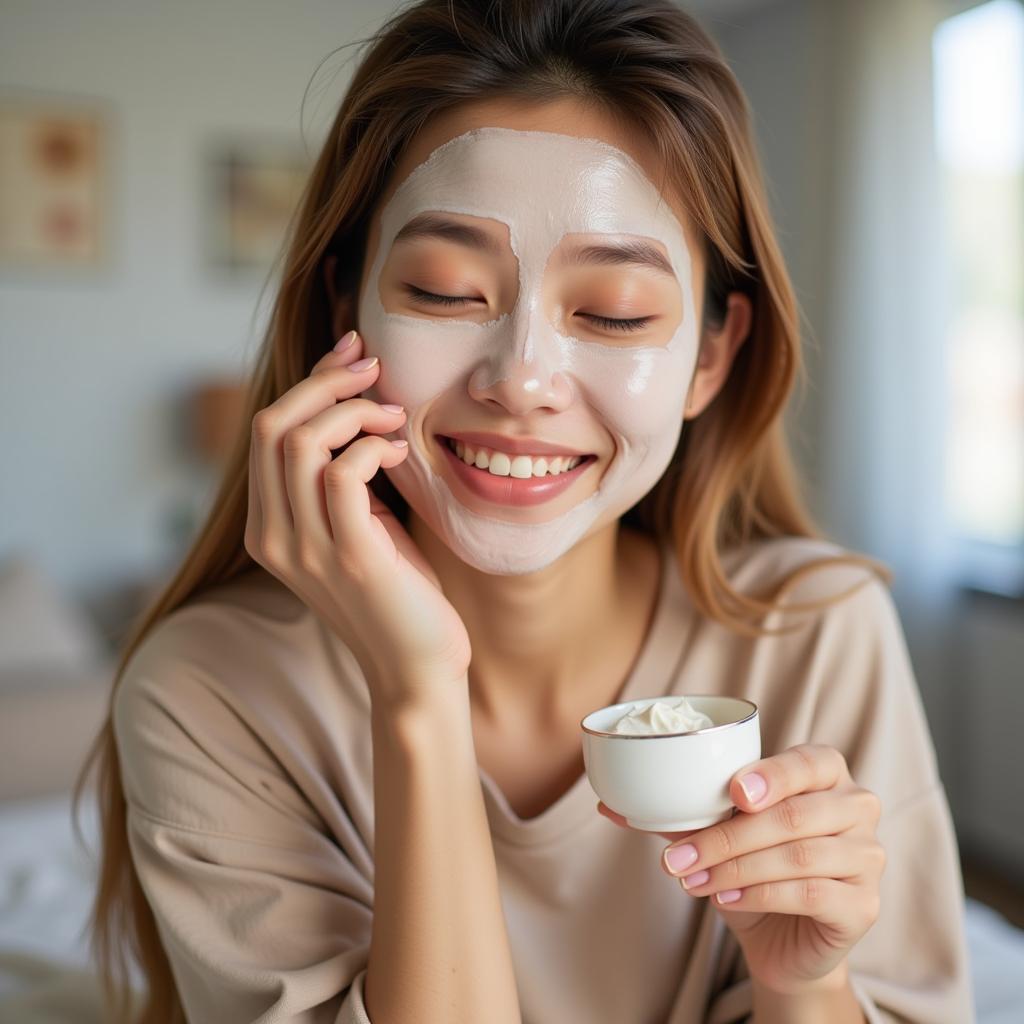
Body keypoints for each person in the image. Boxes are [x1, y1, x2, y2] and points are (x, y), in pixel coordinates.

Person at [73, 1, 974, 1022]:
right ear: (343, 308)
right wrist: (416, 691)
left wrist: (803, 982)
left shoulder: (819, 629)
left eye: (614, 313)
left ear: (711, 355)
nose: (522, 379)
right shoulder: (209, 686)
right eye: (447, 291)